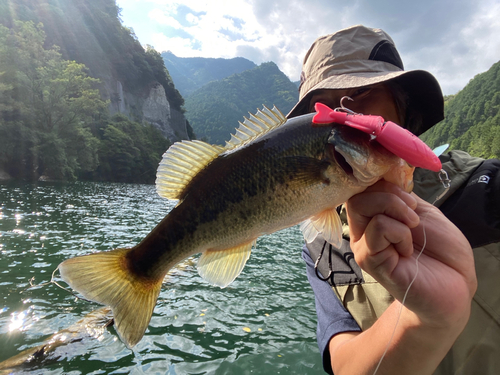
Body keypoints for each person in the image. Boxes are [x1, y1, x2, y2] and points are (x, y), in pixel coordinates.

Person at [287, 25, 500, 374]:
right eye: (325, 106)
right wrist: (428, 319)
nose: (347, 115)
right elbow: (344, 364)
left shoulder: (489, 187)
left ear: (404, 110)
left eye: (364, 91)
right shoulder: (320, 247)